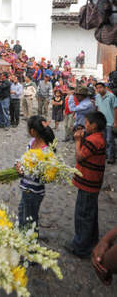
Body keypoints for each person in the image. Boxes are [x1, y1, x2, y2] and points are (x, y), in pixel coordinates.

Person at [64, 111, 106, 258]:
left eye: (87, 123)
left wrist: (77, 141)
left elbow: (80, 156)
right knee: (90, 214)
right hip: (93, 183)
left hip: (88, 183)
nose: (85, 125)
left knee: (83, 215)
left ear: (94, 126)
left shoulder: (94, 140)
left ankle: (80, 247)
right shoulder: (98, 137)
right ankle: (91, 241)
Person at [16, 116, 55, 232]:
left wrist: (25, 171)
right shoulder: (31, 142)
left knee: (30, 219)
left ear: (33, 131)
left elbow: (43, 175)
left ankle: (31, 244)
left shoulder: (45, 151)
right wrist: (19, 165)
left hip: (34, 191)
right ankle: (22, 237)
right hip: (25, 187)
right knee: (22, 213)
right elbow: (24, 159)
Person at [95, 82, 117, 164]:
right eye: (97, 88)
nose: (99, 89)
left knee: (109, 140)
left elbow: (115, 109)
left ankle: (112, 157)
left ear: (104, 87)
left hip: (110, 122)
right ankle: (106, 155)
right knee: (103, 140)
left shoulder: (111, 96)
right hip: (102, 122)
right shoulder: (97, 97)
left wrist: (115, 122)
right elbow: (97, 108)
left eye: (100, 87)